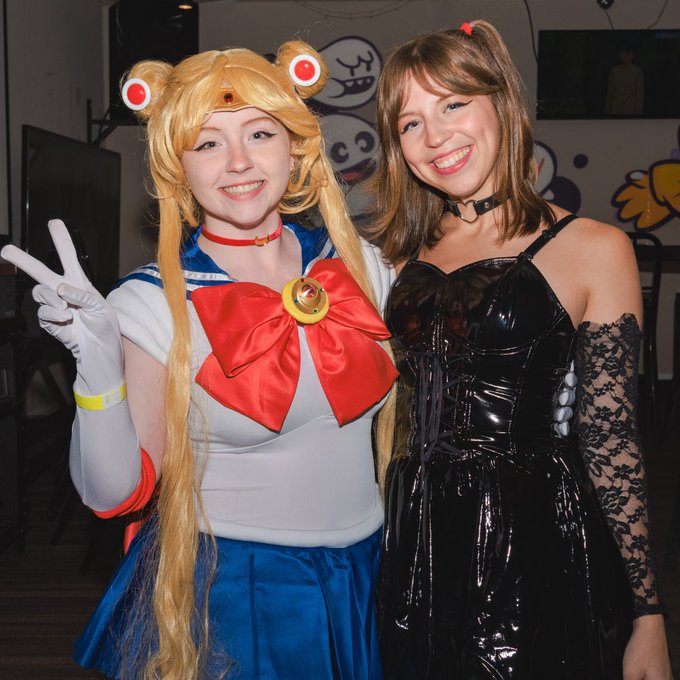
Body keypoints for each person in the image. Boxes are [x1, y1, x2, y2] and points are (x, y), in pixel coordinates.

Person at [2, 41, 398, 680]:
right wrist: (97, 365)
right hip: (236, 593)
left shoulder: (359, 265)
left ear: (294, 147)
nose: (238, 162)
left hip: (366, 578)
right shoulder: (153, 302)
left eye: (259, 133)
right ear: (177, 167)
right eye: (208, 143)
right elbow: (112, 493)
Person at [368, 20, 672, 680]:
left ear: (502, 103)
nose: (435, 136)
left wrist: (647, 615)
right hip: (412, 535)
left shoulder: (594, 248)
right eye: (411, 123)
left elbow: (611, 440)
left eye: (453, 104)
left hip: (531, 539)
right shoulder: (393, 257)